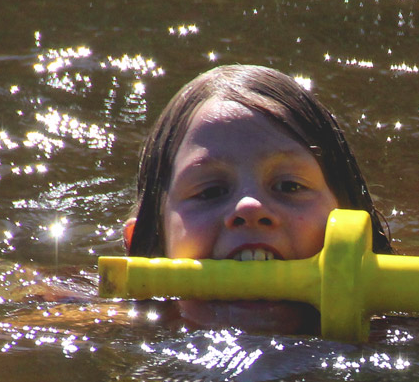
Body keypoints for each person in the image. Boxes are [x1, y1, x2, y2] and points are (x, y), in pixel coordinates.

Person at [121, 64, 393, 333]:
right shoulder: (100, 332)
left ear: (360, 229)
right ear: (145, 247)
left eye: (289, 186)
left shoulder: (409, 338)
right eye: (210, 192)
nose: (250, 207)